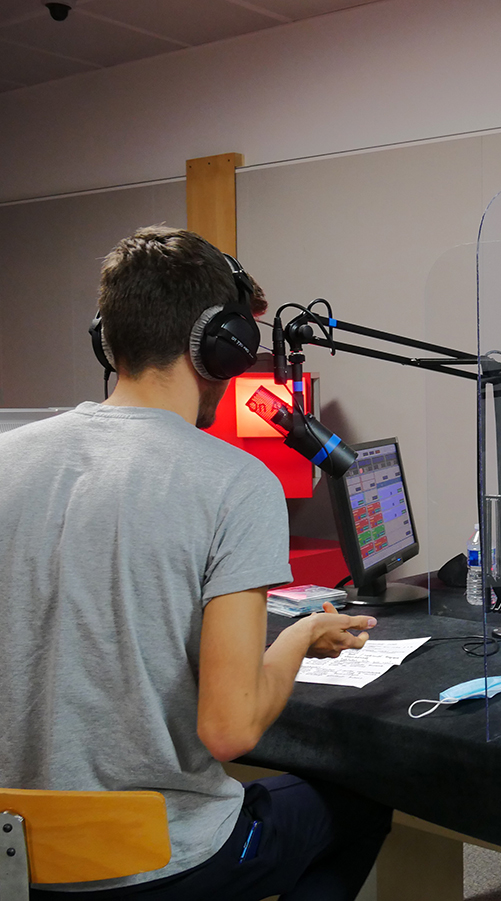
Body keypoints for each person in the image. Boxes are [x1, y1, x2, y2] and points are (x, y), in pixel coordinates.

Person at [0, 226, 392, 900]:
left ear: (107, 339)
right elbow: (229, 727)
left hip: (17, 855)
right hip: (160, 859)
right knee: (363, 801)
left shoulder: (6, 457)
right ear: (222, 344)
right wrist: (300, 635)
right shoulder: (236, 483)